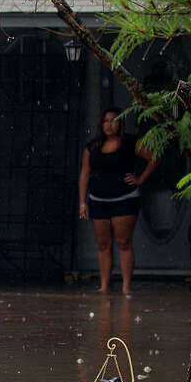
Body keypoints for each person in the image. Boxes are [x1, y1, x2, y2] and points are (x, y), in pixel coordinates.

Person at [78, 108, 158, 296]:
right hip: (98, 199)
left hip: (125, 198)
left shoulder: (131, 142)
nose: (109, 124)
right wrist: (82, 201)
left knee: (123, 242)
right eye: (106, 121)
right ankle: (104, 286)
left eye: (114, 120)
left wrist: (140, 179)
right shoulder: (93, 147)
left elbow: (154, 157)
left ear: (120, 123)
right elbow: (85, 173)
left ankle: (126, 287)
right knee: (103, 244)